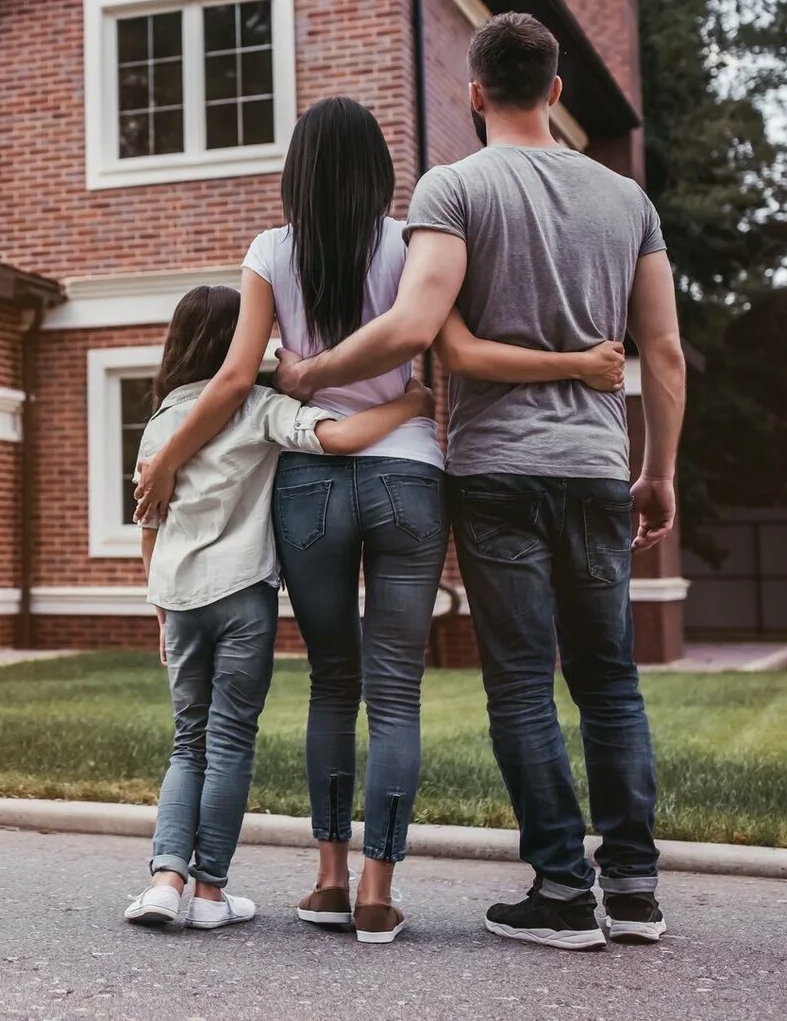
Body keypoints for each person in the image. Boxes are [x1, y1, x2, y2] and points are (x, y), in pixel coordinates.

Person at [132, 96, 625, 945]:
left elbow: (232, 380)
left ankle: (325, 880)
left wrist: (171, 455)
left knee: (333, 682)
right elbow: (451, 344)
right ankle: (375, 892)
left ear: (295, 171)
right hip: (407, 476)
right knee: (396, 694)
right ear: (380, 173)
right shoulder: (414, 243)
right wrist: (419, 398)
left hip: (312, 485)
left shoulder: (270, 251)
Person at [268, 13, 687, 951]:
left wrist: (310, 373)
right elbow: (661, 347)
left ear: (474, 93)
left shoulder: (453, 188)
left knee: (525, 688)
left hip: (497, 471)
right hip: (593, 467)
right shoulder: (628, 201)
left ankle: (562, 893)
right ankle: (635, 888)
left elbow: (419, 328)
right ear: (558, 89)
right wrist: (656, 470)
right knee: (611, 683)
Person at [122, 283, 434, 931]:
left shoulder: (158, 423)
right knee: (230, 741)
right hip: (243, 599)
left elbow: (148, 525)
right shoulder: (261, 408)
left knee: (188, 743)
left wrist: (160, 610)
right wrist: (410, 402)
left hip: (178, 602)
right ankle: (209, 893)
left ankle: (163, 880)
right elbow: (342, 437)